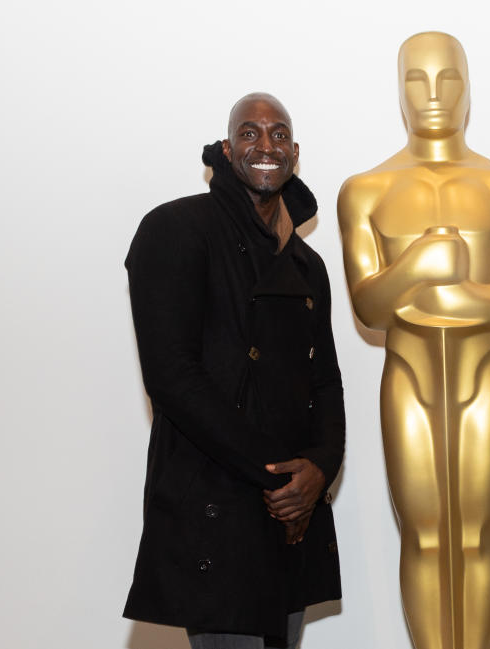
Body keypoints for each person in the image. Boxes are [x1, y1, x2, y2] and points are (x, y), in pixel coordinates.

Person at [123, 93, 345, 649]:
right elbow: (173, 377)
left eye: (277, 135)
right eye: (249, 134)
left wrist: (318, 472)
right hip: (217, 508)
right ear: (226, 150)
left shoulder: (308, 265)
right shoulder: (174, 229)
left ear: (294, 152)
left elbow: (327, 383)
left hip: (292, 514)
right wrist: (282, 481)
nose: (264, 145)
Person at [337, 32, 490, 649]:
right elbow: (370, 305)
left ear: (469, 88)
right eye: (416, 80)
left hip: (483, 377)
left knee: (480, 534)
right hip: (408, 377)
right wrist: (422, 262)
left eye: (447, 78)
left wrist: (439, 298)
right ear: (399, 93)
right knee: (422, 535)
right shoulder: (364, 190)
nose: (432, 94)